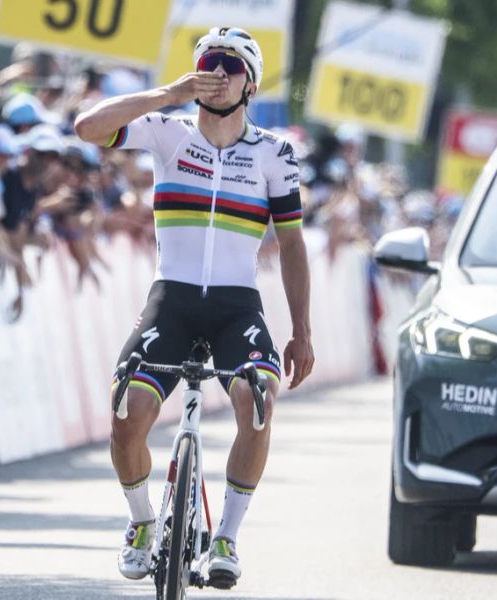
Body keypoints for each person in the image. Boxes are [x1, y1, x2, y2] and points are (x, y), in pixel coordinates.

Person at [75, 27, 315, 585]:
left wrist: (302, 330)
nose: (219, 72)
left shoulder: (275, 153)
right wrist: (168, 93)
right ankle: (141, 523)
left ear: (250, 83)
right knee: (124, 411)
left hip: (237, 305)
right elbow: (88, 128)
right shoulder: (167, 132)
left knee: (257, 402)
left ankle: (227, 537)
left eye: (232, 66)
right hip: (173, 299)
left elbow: (294, 244)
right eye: (210, 61)